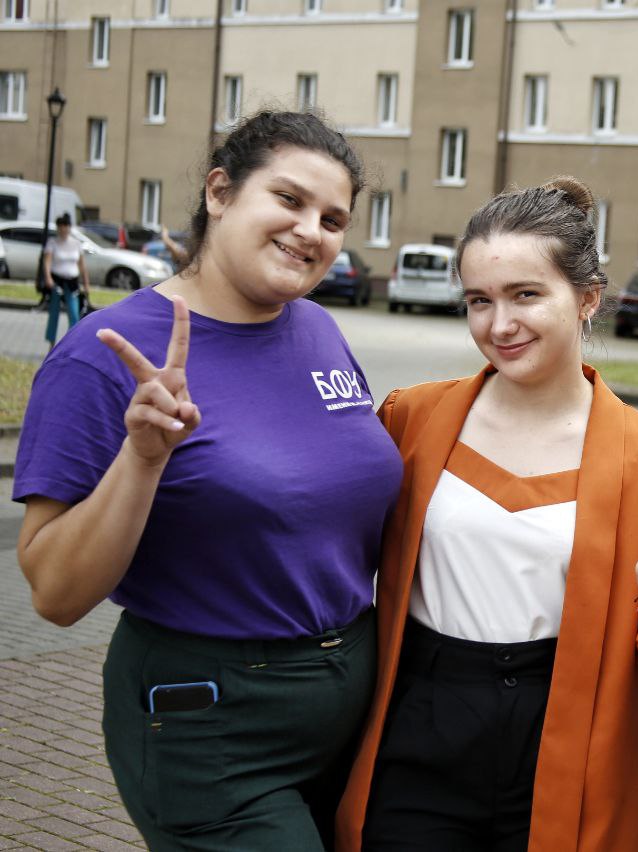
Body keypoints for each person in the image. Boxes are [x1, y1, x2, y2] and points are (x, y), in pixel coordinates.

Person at [13, 111, 404, 851]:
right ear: (220, 192)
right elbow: (54, 594)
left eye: (332, 219)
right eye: (288, 199)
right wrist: (143, 458)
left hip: (353, 707)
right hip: (211, 722)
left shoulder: (317, 329)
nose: (311, 231)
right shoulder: (103, 356)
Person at [334, 176, 638, 852]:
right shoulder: (412, 418)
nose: (499, 325)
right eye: (479, 301)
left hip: (565, 733)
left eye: (525, 295)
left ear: (588, 298)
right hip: (420, 720)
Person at [42, 212, 90, 349]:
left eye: (66, 226)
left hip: (72, 282)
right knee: (54, 313)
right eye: (61, 227)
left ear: (69, 227)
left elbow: (82, 265)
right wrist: (48, 278)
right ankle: (51, 344)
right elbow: (47, 262)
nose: (63, 229)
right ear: (58, 228)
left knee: (74, 313)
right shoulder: (53, 242)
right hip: (57, 281)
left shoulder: (76, 243)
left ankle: (71, 344)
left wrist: (86, 283)